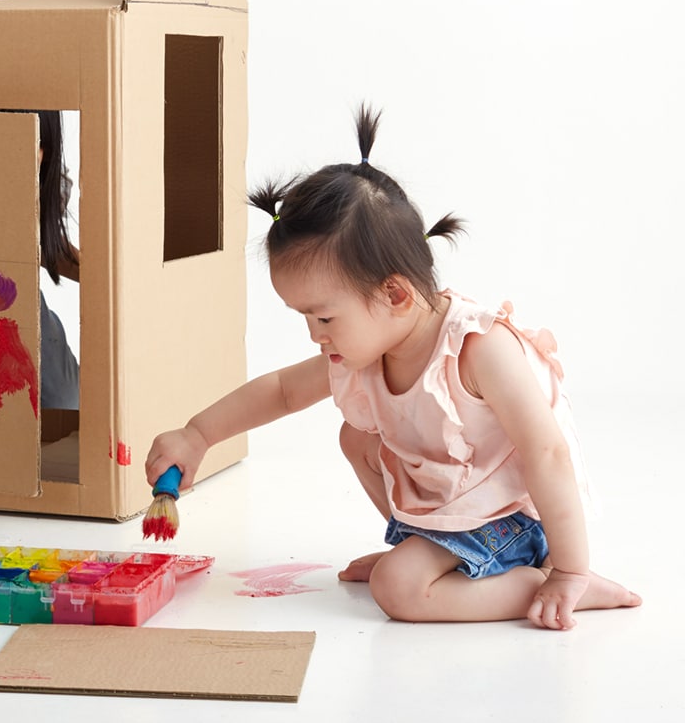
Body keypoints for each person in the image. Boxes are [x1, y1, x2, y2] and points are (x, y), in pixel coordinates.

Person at [145, 104, 641, 630]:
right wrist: (197, 434)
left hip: (511, 516)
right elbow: (284, 391)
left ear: (396, 294)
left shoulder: (477, 349)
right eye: (305, 318)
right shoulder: (366, 350)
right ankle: (427, 547)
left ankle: (541, 586)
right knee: (355, 436)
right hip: (457, 506)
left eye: (325, 316)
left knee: (397, 589)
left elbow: (548, 453)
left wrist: (570, 569)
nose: (316, 335)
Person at [36, 111, 80, 411]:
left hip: (11, 299)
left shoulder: (44, 178)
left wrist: (104, 275)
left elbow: (45, 244)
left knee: (65, 402)